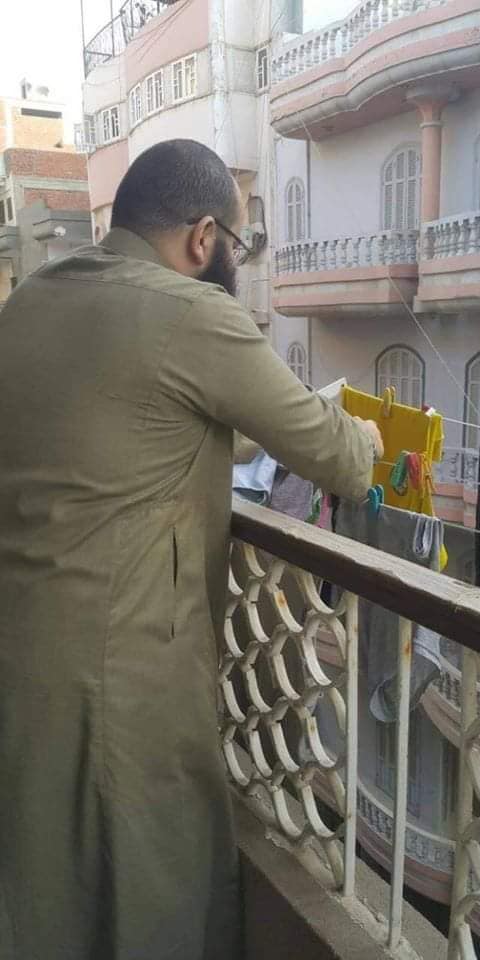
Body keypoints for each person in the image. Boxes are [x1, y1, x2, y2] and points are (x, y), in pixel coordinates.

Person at [0, 139, 383, 960]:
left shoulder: (33, 297)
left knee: (46, 888)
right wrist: (372, 435)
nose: (235, 264)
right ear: (204, 237)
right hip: (117, 675)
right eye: (237, 247)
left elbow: (143, 426)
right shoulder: (190, 312)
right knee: (150, 890)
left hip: (21, 648)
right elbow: (342, 460)